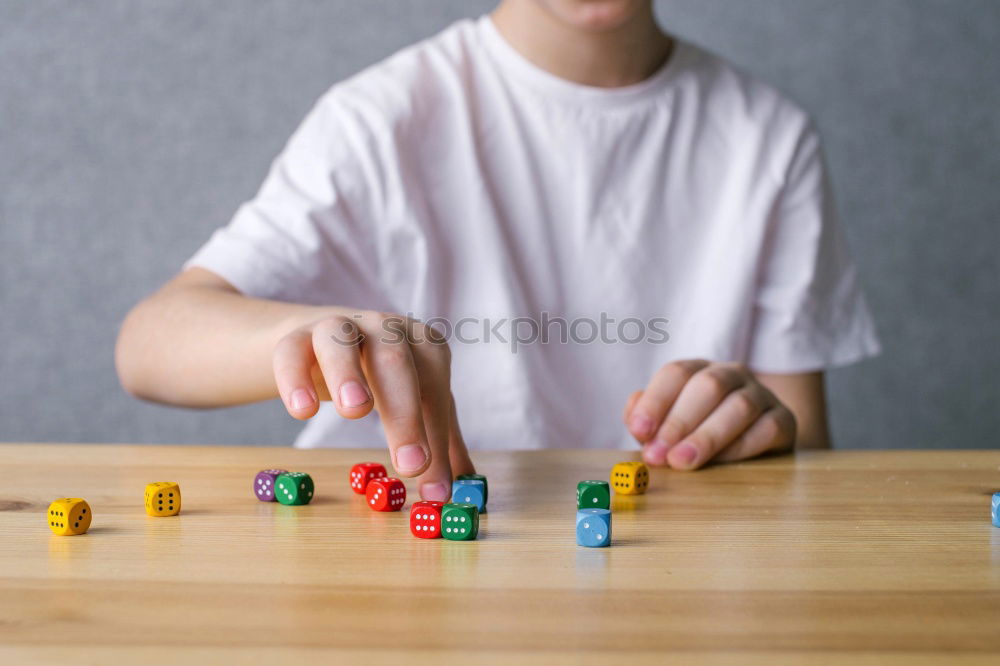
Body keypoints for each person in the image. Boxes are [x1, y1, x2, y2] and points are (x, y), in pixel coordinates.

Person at [115, 0, 880, 502]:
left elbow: (802, 450)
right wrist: (310, 337)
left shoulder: (770, 138)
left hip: (655, 584)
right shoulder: (382, 119)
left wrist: (757, 421)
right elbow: (149, 343)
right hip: (398, 595)